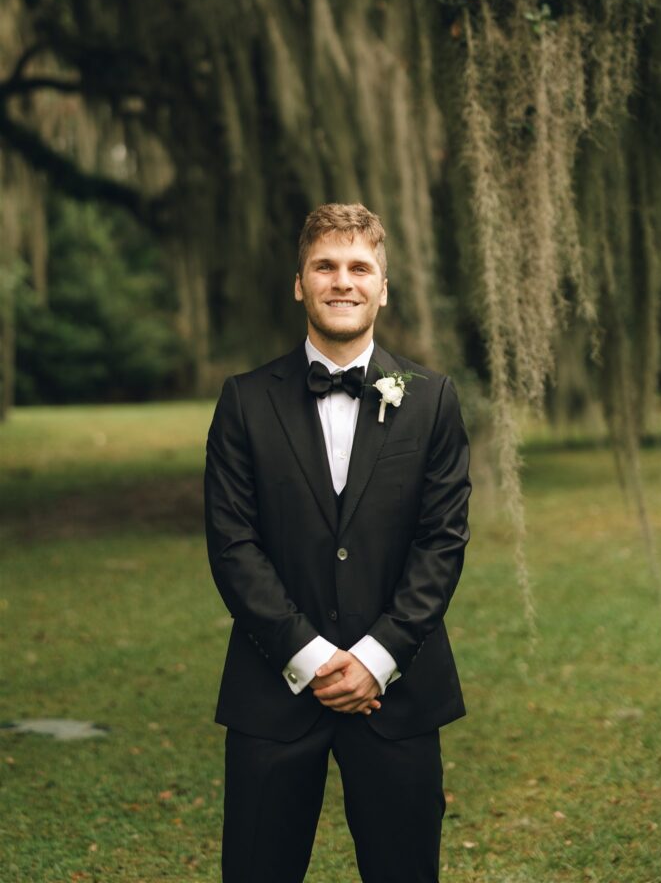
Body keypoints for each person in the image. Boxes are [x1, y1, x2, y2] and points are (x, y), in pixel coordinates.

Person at [205, 202, 471, 883]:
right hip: (273, 688)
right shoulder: (244, 400)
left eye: (360, 267)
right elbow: (233, 544)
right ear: (299, 283)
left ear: (384, 287)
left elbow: (440, 545)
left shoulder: (433, 400)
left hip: (399, 693)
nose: (342, 281)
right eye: (325, 266)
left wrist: (376, 658)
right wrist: (314, 658)